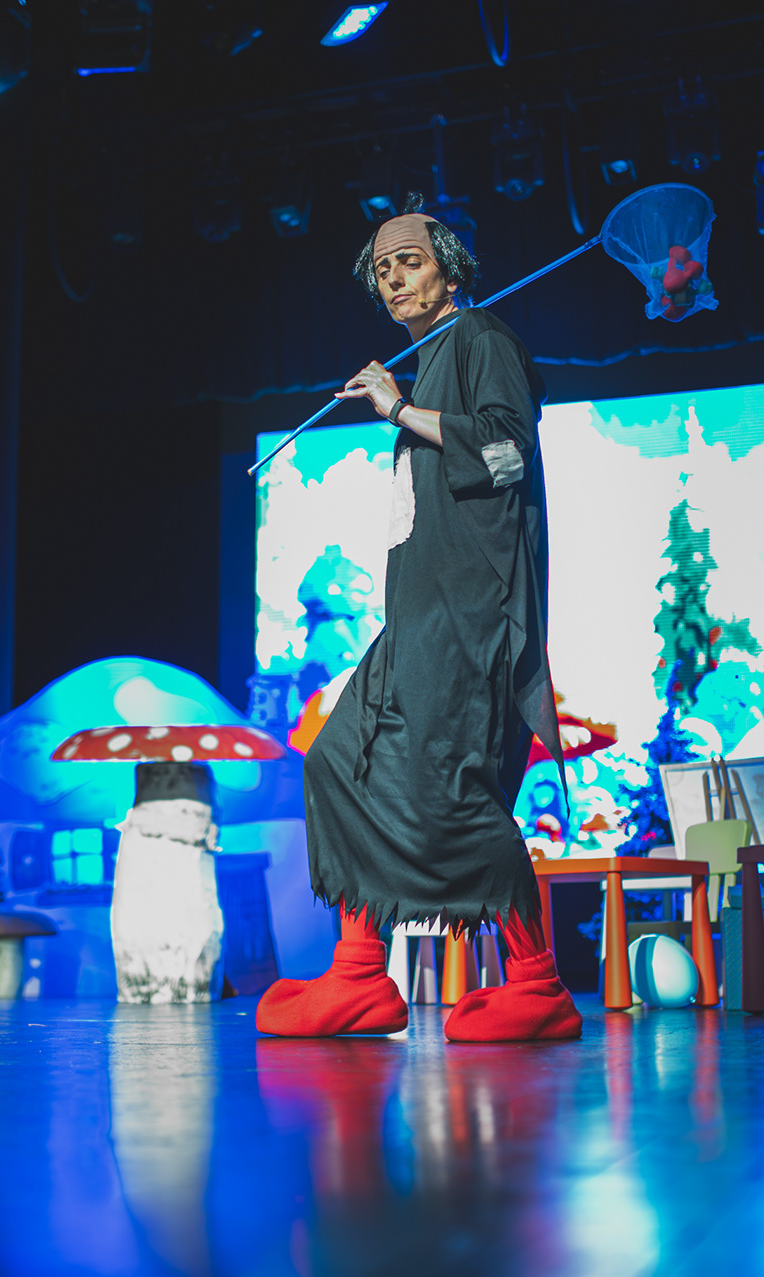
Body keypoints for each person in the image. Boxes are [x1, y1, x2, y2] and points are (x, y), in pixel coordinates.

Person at [255, 194, 581, 1042]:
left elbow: (506, 453)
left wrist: (399, 409)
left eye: (410, 261)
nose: (395, 279)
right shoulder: (433, 356)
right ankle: (361, 973)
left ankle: (538, 983)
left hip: (468, 613)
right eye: (383, 270)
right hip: (415, 616)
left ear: (450, 269)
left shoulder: (483, 338)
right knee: (338, 762)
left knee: (454, 786)